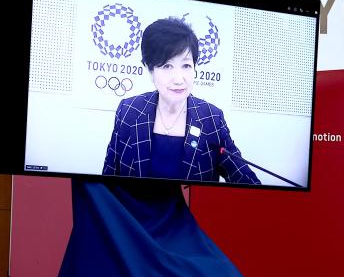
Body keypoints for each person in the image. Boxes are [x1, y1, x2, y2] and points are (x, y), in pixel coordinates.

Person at [102, 17, 260, 184]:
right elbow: (107, 182)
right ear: (150, 70)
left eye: (186, 66)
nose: (179, 79)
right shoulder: (128, 111)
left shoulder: (211, 119)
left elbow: (248, 182)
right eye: (167, 66)